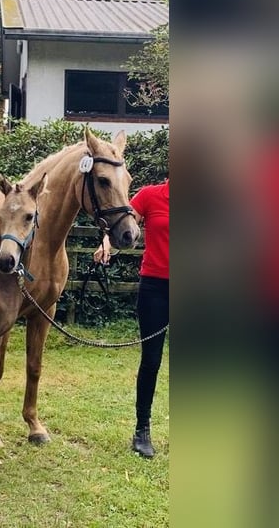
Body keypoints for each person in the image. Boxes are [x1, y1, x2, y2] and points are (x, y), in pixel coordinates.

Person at [94, 179, 169, 458]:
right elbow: (121, 223)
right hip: (156, 289)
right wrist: (106, 244)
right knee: (151, 360)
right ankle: (142, 430)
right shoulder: (151, 196)